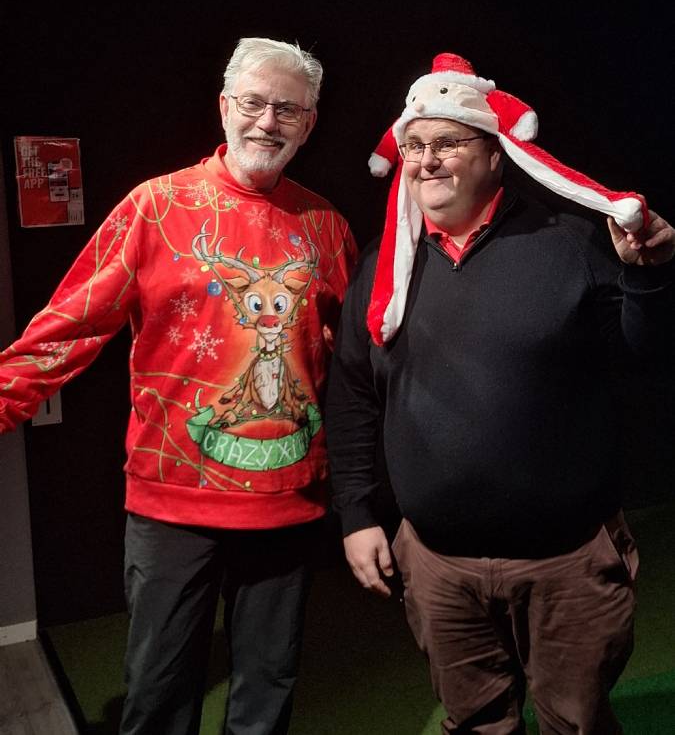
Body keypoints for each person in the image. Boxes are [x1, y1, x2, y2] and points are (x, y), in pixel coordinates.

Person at [0, 37, 358, 735]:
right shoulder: (154, 207)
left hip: (287, 499)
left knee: (267, 690)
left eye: (288, 109)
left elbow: (355, 361)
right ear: (224, 106)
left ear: (309, 122)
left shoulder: (326, 226)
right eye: (254, 103)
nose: (268, 121)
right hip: (172, 501)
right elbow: (69, 326)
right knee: (158, 690)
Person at [325, 51, 675, 734]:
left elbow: (644, 355)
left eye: (447, 142)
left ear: (494, 154)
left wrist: (649, 274)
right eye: (414, 145)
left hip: (567, 563)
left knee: (575, 722)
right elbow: (353, 394)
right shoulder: (382, 268)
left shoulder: (567, 244)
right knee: (474, 723)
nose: (426, 161)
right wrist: (356, 513)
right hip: (437, 566)